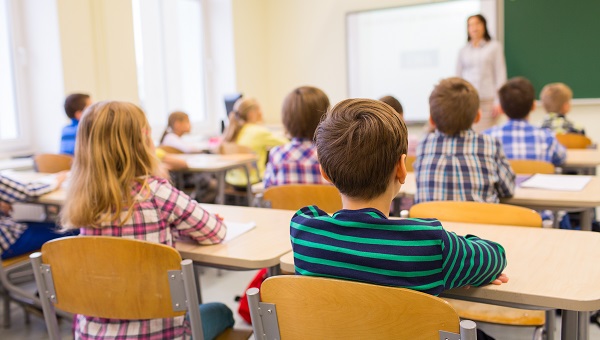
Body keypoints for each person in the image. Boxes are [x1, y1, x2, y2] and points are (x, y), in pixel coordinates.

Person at [290, 98, 508, 297]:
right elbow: (496, 256)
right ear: (402, 168)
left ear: (325, 173)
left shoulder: (304, 231)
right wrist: (459, 270)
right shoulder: (431, 244)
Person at [60, 101, 234, 340]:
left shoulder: (80, 198)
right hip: (160, 334)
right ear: (143, 141)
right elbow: (215, 232)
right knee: (222, 312)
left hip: (92, 333)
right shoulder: (155, 193)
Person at [413, 77, 515, 204]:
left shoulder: (424, 145)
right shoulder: (490, 145)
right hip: (479, 222)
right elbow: (508, 190)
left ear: (431, 120)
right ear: (478, 117)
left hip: (430, 223)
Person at [483, 77, 567, 167]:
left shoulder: (487, 139)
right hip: (536, 181)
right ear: (534, 106)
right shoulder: (547, 137)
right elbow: (561, 158)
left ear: (501, 109)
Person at [263, 86, 329, 188]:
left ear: (286, 119)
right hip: (327, 204)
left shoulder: (277, 155)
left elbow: (267, 190)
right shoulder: (331, 155)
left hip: (285, 204)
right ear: (325, 116)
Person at [0, 172, 75, 259]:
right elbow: (29, 192)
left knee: (59, 224)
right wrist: (57, 181)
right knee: (73, 229)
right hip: (8, 242)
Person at [221, 97, 288, 187]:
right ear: (251, 114)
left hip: (231, 181)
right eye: (259, 110)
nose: (261, 113)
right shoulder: (259, 131)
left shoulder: (232, 131)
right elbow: (287, 144)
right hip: (254, 181)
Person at [456, 14, 506, 132]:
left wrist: (499, 101)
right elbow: (458, 78)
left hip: (488, 100)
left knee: (487, 134)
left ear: (484, 26)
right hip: (468, 100)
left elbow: (500, 74)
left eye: (477, 23)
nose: (474, 27)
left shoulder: (494, 47)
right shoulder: (463, 51)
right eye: (470, 25)